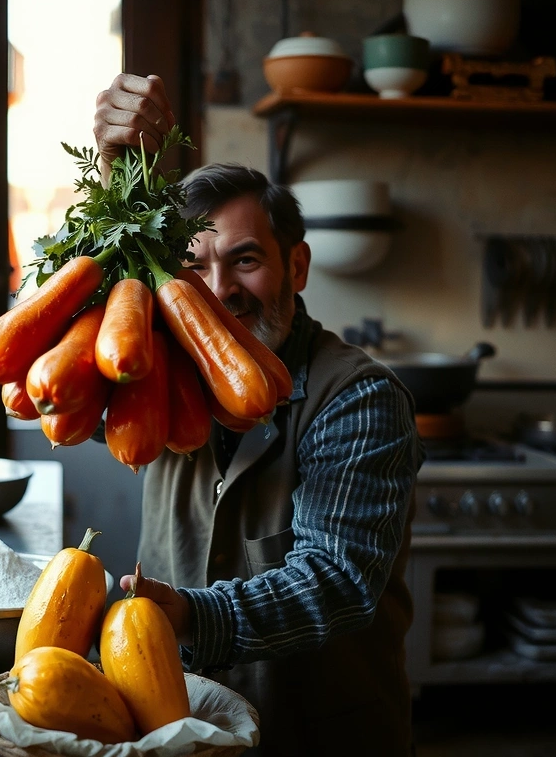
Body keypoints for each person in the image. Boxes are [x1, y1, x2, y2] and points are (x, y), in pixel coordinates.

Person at [93, 73, 424, 757]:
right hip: (183, 730)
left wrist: (189, 615)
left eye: (246, 261)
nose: (220, 291)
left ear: (296, 267)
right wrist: (114, 177)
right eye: (196, 266)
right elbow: (76, 373)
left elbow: (336, 581)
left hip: (319, 740)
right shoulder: (156, 374)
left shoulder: (360, 398)